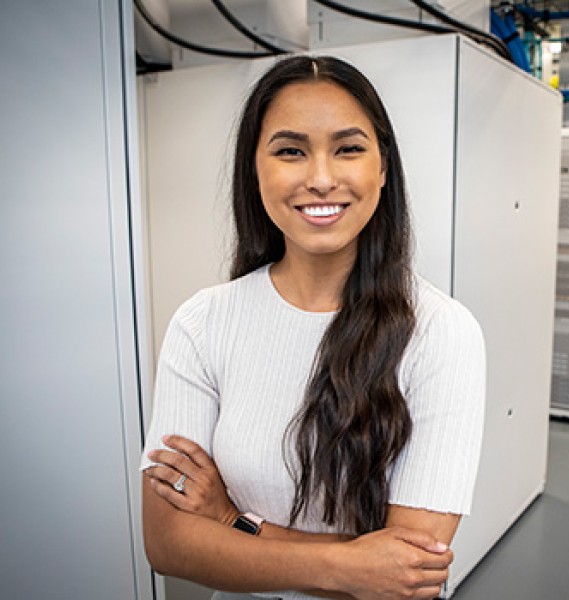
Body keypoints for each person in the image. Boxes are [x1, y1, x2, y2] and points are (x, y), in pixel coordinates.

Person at [140, 54, 486, 600]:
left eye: (348, 148)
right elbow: (168, 544)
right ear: (255, 169)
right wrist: (350, 564)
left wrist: (234, 522)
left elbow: (405, 577)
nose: (322, 179)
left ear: (382, 167)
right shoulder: (203, 323)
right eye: (290, 151)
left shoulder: (442, 332)